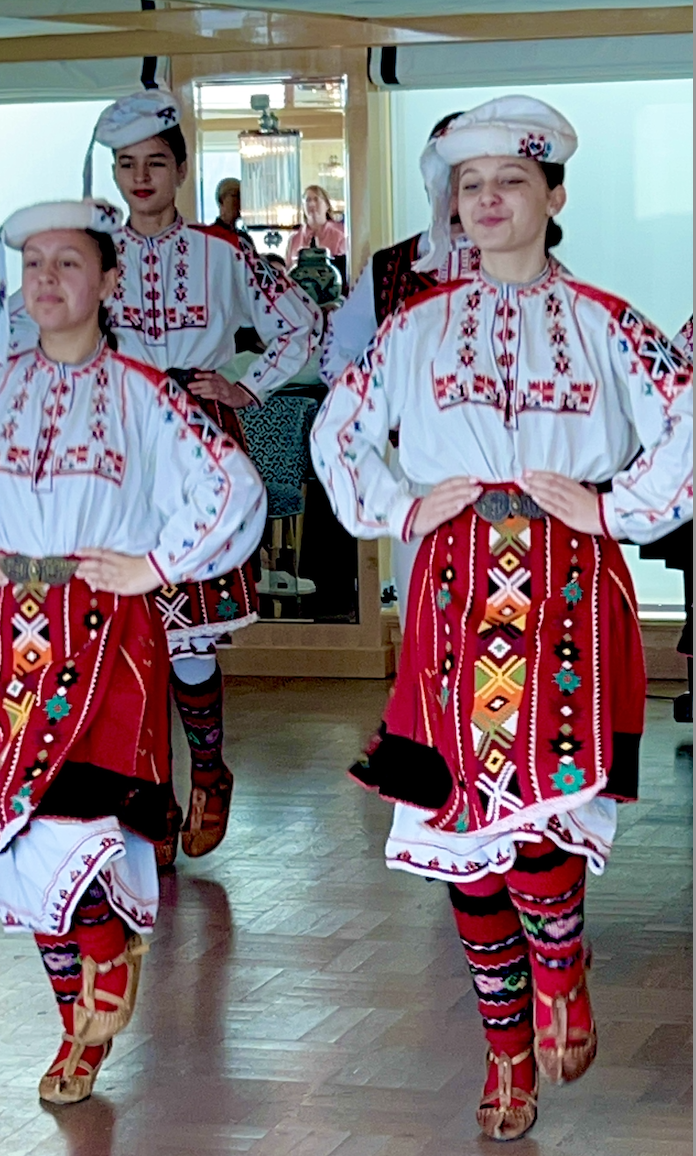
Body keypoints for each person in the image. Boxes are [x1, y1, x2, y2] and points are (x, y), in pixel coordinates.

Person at [311, 96, 693, 1141]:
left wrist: (620, 506)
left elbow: (689, 417)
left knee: (543, 811)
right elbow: (340, 428)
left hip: (570, 583)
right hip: (451, 590)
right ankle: (507, 1054)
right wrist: (396, 507)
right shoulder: (414, 325)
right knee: (464, 835)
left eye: (511, 183)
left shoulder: (613, 323)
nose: (487, 200)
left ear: (553, 196)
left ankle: (563, 966)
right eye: (471, 187)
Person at [0, 199, 266, 1104]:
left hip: (107, 633)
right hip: (6, 638)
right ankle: (73, 1031)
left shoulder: (145, 393)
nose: (47, 280)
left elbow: (230, 488)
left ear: (109, 282)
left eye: (69, 264)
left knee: (80, 819)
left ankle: (103, 955)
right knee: (19, 839)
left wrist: (159, 563)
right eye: (35, 265)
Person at [4, 89, 321, 867]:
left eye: (154, 163)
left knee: (186, 634)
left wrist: (246, 384)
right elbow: (23, 320)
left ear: (181, 168)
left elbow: (302, 321)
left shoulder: (223, 250)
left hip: (191, 445)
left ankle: (210, 773)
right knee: (119, 630)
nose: (139, 178)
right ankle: (151, 790)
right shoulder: (91, 246)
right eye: (125, 165)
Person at [322, 111, 476, 633]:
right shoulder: (393, 267)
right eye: (452, 177)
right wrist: (384, 426)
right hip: (420, 474)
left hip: (517, 480)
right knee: (425, 621)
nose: (463, 193)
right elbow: (339, 356)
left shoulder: (536, 273)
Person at [285, 185, 347, 268]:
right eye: (308, 200)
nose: (312, 204)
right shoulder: (294, 240)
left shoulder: (339, 237)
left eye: (316, 199)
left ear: (327, 205)